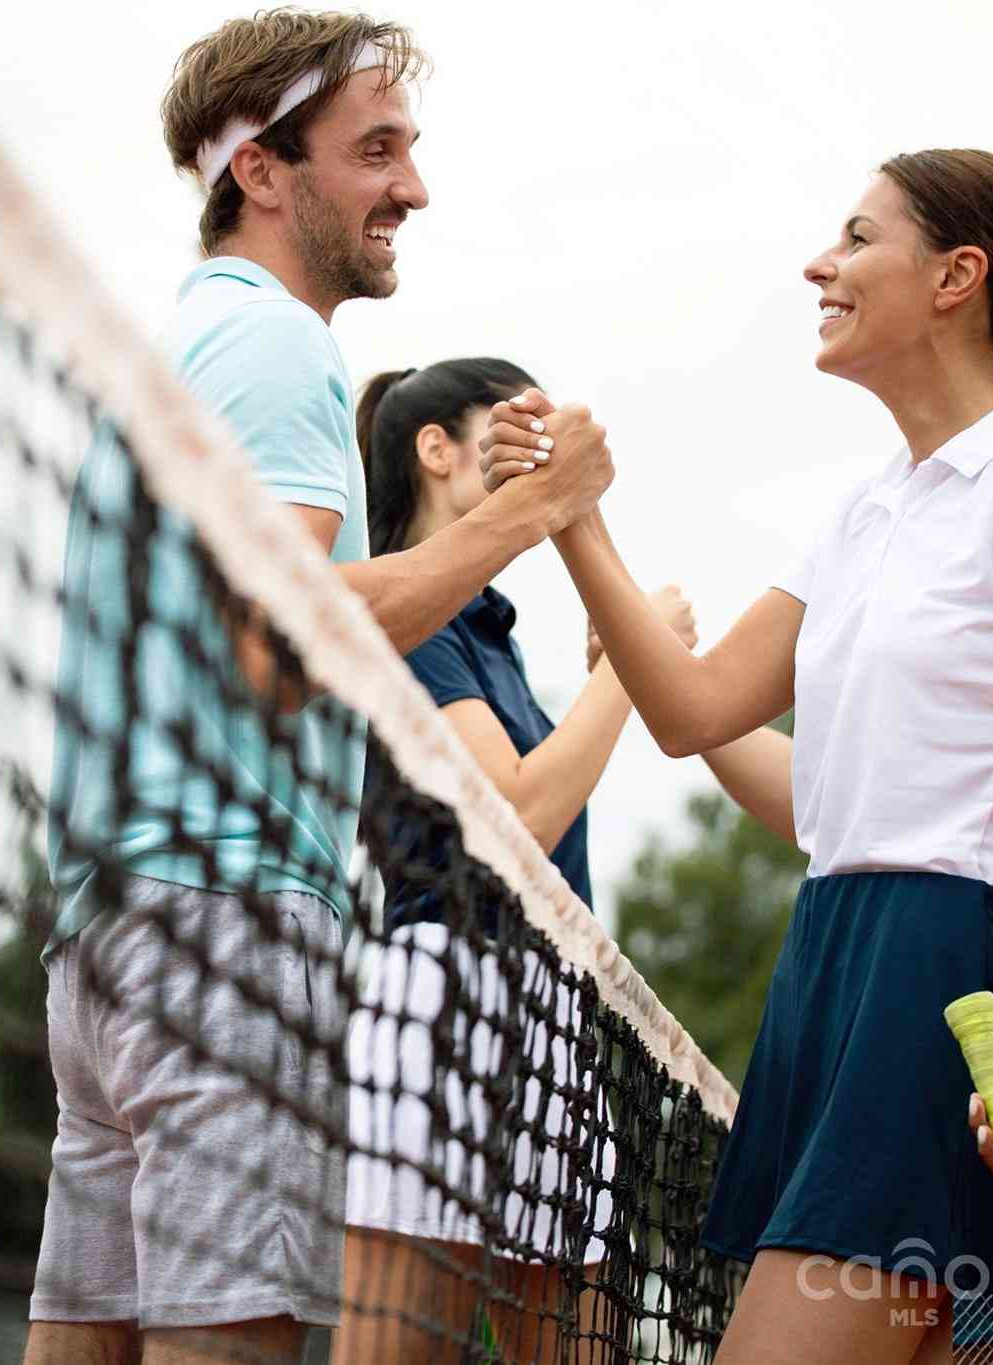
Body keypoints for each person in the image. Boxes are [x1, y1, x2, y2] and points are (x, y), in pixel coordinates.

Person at [26, 14, 616, 1365]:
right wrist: (533, 513)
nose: (412, 187)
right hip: (227, 917)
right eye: (378, 150)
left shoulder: (181, 347)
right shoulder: (285, 352)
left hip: (105, 930)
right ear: (263, 171)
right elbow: (281, 647)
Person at [479, 151, 993, 1365]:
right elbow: (693, 707)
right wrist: (573, 519)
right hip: (827, 966)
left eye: (858, 239)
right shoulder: (862, 510)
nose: (821, 264)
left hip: (944, 975)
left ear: (958, 276)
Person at [331, 357, 698, 1364]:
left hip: (556, 1014)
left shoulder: (494, 637)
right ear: (437, 448)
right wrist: (628, 669)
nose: (540, 435)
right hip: (444, 997)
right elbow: (516, 818)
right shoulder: (412, 618)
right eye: (510, 417)